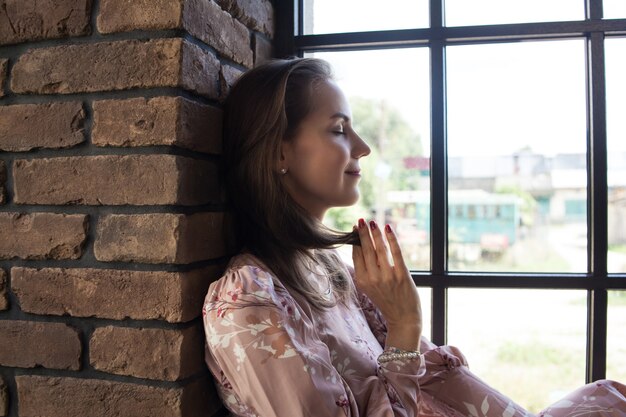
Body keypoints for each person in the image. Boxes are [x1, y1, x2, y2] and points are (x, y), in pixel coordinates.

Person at [202, 57, 626, 417]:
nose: (362, 146)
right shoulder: (249, 303)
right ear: (279, 151)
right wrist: (404, 324)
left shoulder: (332, 272)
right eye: (338, 129)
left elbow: (436, 382)